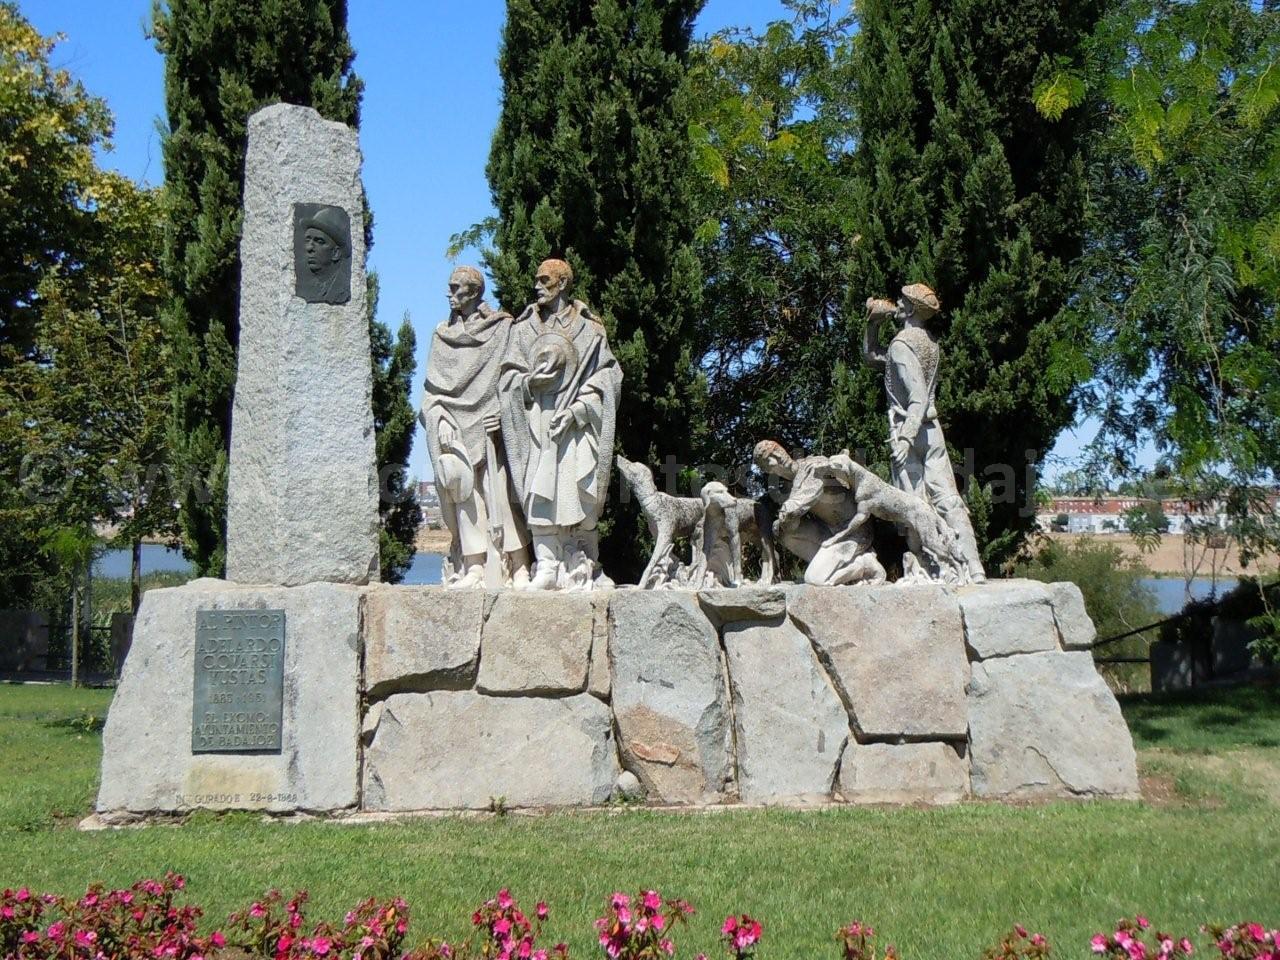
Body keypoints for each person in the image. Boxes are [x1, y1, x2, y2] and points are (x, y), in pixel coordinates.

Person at [497, 259, 623, 590]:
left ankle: (582, 562)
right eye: (536, 280)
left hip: (576, 425)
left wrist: (580, 410)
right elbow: (507, 378)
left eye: (544, 280)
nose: (536, 286)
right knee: (540, 492)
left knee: (578, 493)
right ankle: (547, 566)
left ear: (563, 283)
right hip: (537, 424)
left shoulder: (590, 331)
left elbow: (608, 377)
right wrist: (528, 384)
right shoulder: (522, 331)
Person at [863, 283, 986, 581]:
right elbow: (873, 357)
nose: (899, 303)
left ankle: (930, 569)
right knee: (949, 499)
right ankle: (974, 566)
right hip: (932, 431)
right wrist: (872, 326)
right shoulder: (929, 343)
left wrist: (905, 437)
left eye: (904, 300)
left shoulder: (902, 345)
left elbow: (916, 396)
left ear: (914, 308)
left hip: (911, 429)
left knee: (915, 504)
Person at [421, 266, 530, 588]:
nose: (450, 293)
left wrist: (503, 409)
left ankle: (520, 564)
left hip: (490, 423)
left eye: (456, 288)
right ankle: (474, 566)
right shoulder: (442, 335)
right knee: (464, 495)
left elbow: (515, 376)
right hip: (453, 425)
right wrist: (439, 417)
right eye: (449, 287)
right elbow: (431, 393)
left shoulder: (501, 328)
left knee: (500, 493)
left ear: (475, 291)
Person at [753, 440, 885, 586]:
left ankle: (864, 565)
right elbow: (792, 518)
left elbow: (808, 494)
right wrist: (787, 518)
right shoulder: (791, 486)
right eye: (769, 459)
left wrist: (788, 510)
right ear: (768, 469)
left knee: (814, 579)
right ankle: (835, 565)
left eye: (776, 452)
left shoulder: (813, 465)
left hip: (853, 531)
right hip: (829, 532)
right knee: (780, 530)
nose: (778, 457)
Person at [297, 205, 351, 304]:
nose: (309, 248)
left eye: (319, 241)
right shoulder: (308, 286)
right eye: (308, 240)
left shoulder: (341, 288)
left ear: (336, 253)